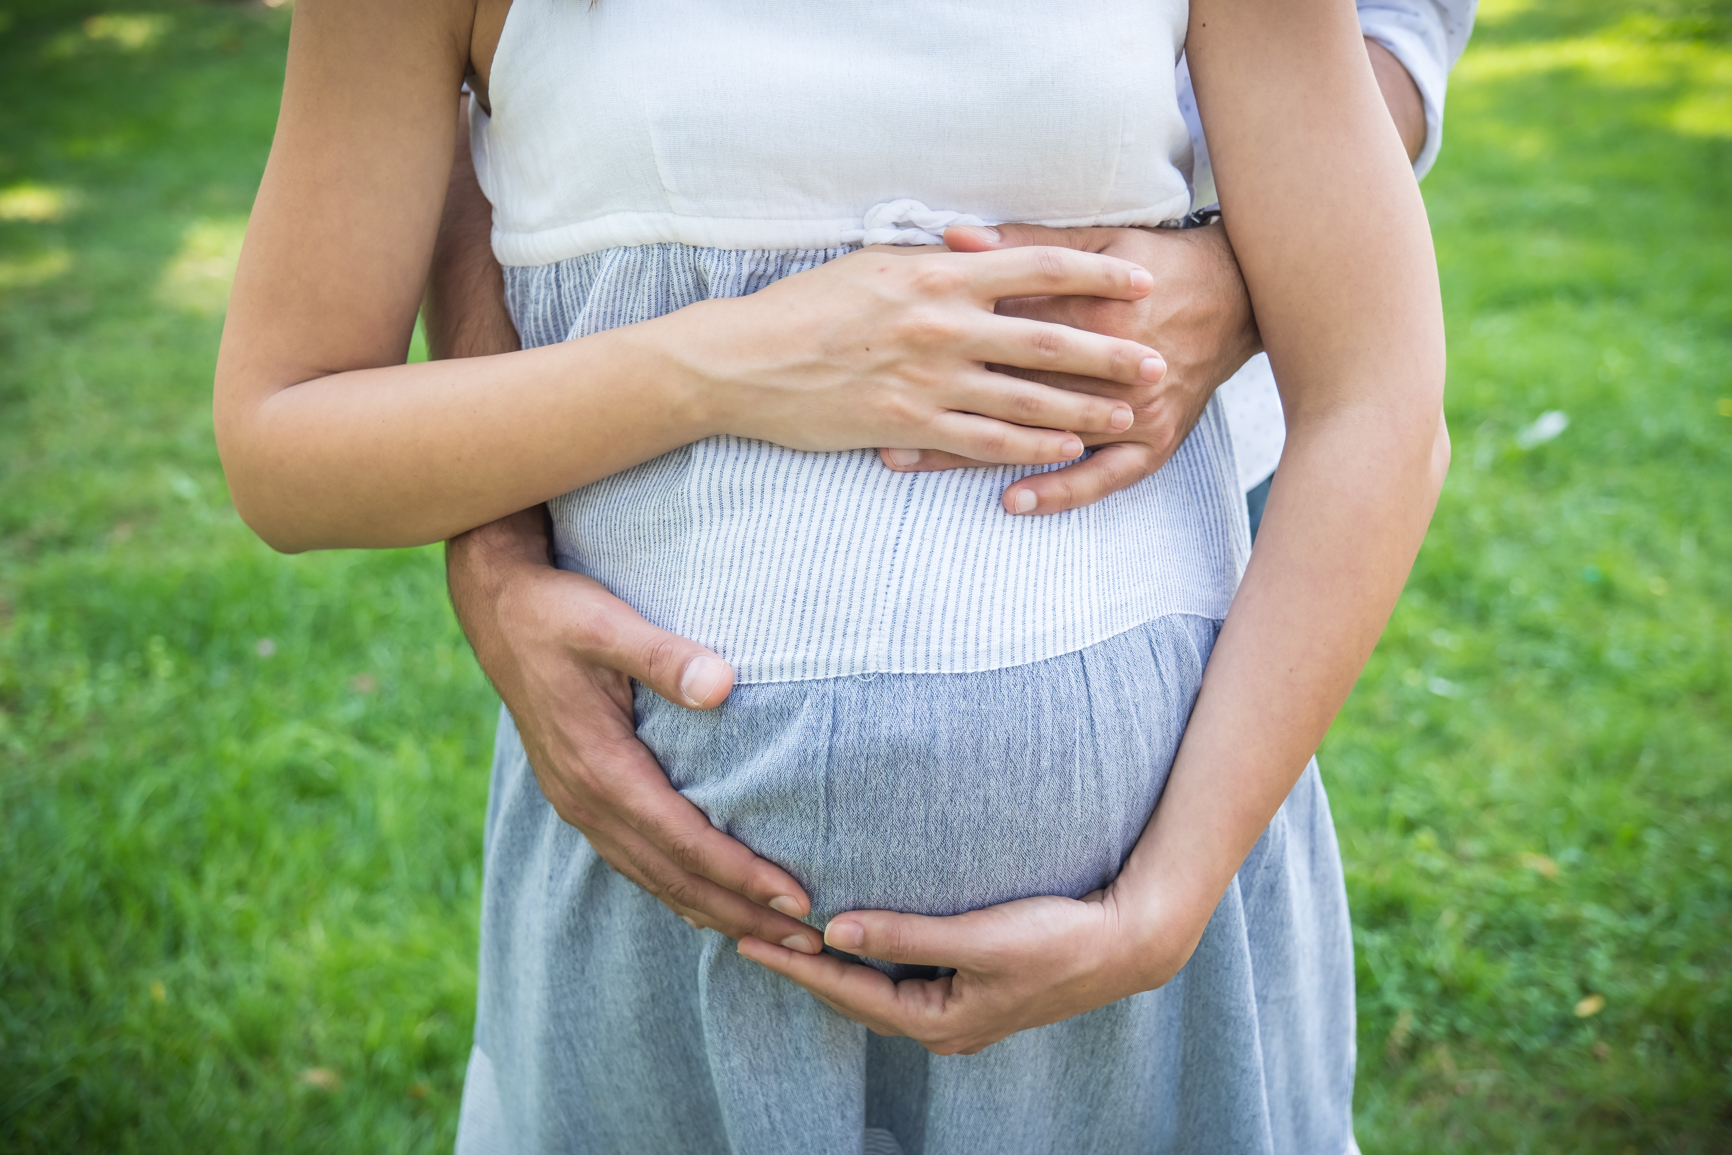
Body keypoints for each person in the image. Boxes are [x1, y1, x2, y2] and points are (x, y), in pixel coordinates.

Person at [214, 1, 1451, 1151]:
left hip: (1145, 950)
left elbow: (1377, 399)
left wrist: (1166, 902)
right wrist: (729, 364)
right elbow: (287, 444)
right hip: (666, 946)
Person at [436, 0, 1475, 987]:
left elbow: (1374, 391)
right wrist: (499, 545)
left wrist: (1259, 258)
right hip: (659, 923)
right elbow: (456, 122)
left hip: (1159, 603)